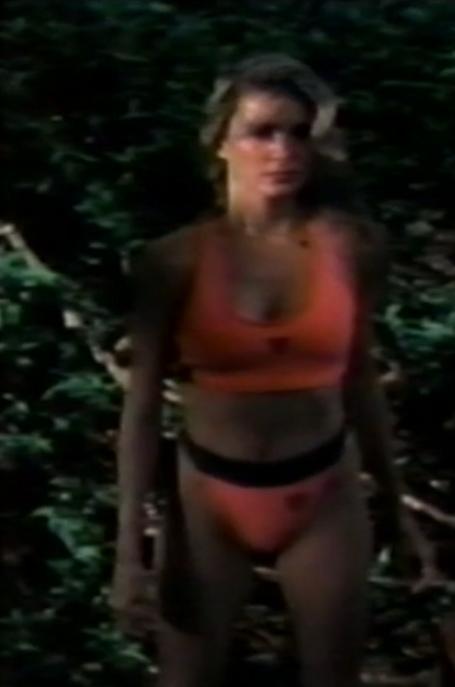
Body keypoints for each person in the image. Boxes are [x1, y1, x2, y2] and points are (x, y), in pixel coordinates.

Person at [111, 53, 418, 687]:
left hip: (323, 493)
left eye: (299, 133)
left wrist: (398, 510)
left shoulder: (352, 248)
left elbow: (360, 381)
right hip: (207, 501)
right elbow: (141, 408)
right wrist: (128, 551)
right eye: (261, 132)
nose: (283, 151)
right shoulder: (173, 261)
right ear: (221, 143)